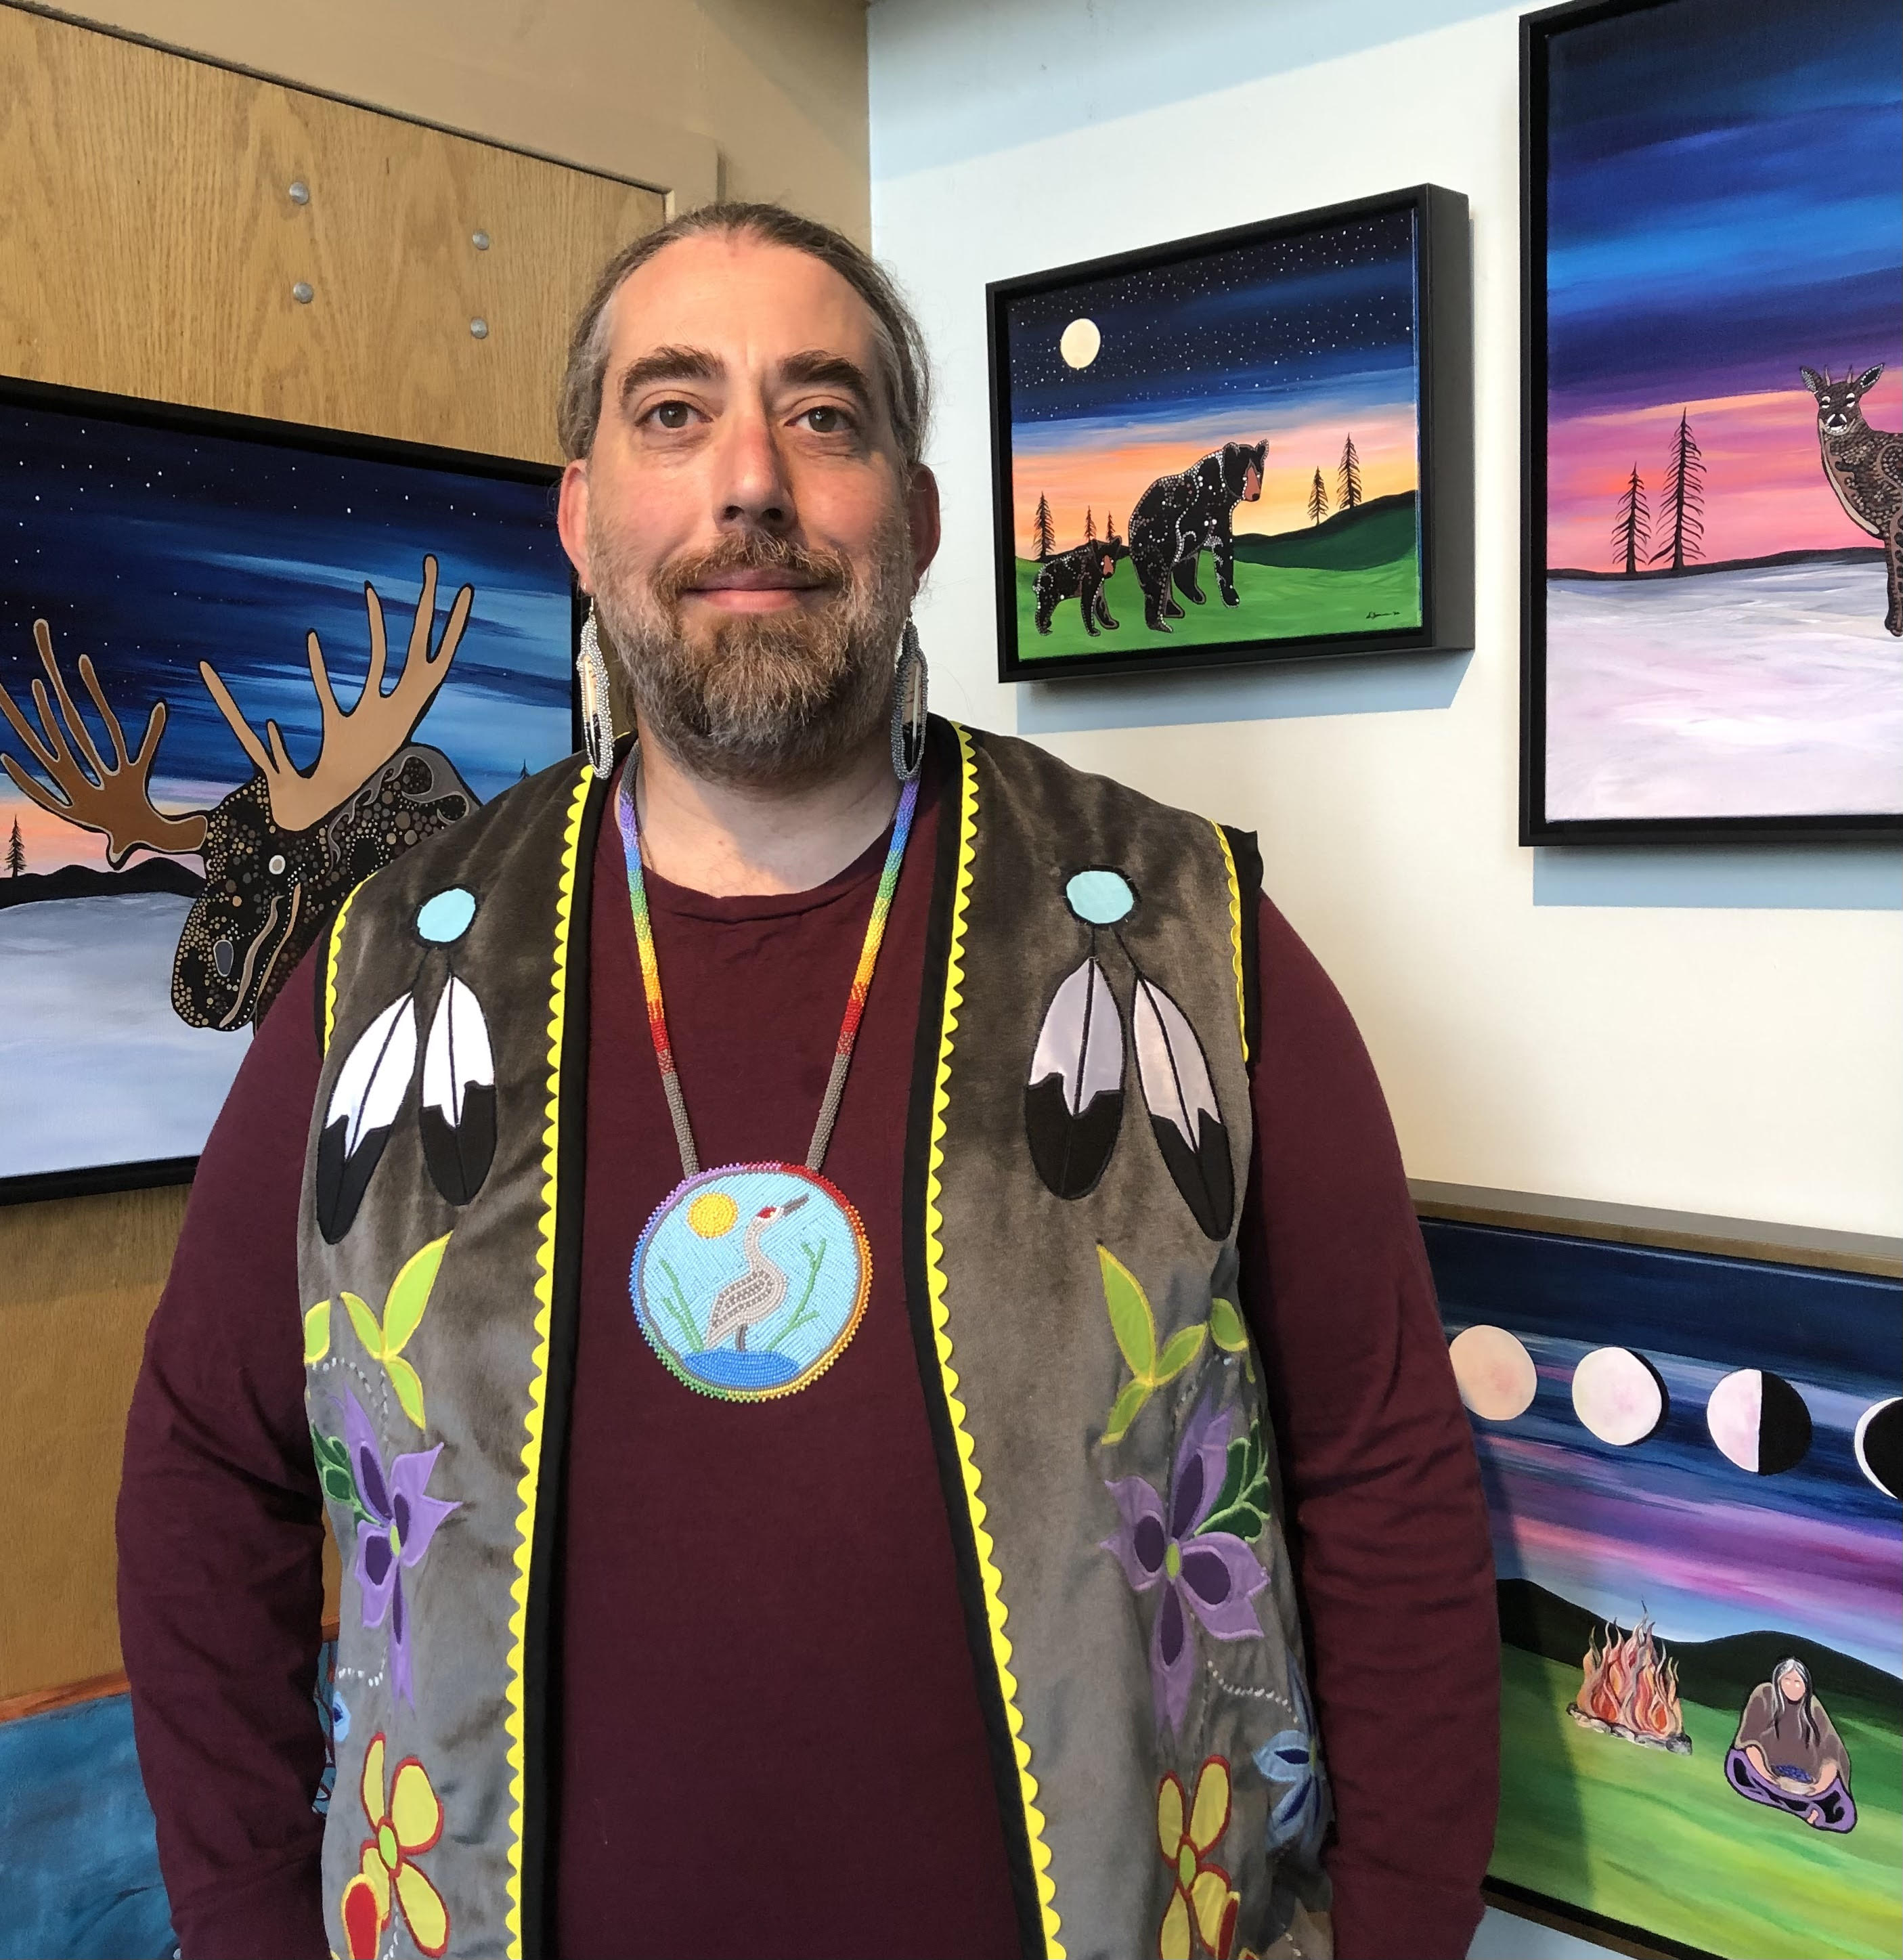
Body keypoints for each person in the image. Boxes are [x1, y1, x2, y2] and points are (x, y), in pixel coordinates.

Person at [116, 202, 1498, 1960]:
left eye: (824, 413)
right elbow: (198, 1465)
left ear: (913, 520)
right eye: (673, 412)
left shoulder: (1183, 939)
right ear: (584, 514)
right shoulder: (386, 972)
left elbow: (1380, 1472)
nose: (749, 478)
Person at [1726, 1657, 1856, 1832]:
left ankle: (1808, 1809)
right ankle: (1800, 1808)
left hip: (1807, 1784)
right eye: (1787, 1680)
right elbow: (1750, 1741)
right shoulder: (1764, 1694)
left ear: (1806, 1685)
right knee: (1739, 1766)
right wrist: (1768, 1776)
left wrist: (1816, 1789)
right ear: (1778, 1681)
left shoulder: (1813, 1707)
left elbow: (1831, 1756)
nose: (1792, 1686)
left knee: (1842, 1809)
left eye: (1797, 1682)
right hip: (1767, 1774)